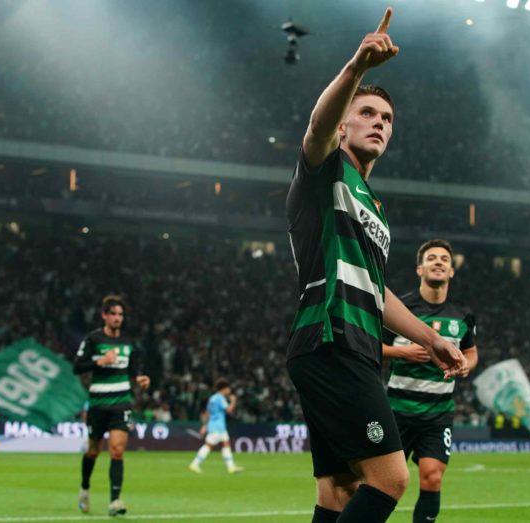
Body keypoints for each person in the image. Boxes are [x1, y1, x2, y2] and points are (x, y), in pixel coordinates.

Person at [284, 8, 467, 523]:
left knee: (339, 490)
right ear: (345, 124)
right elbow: (318, 126)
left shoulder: (374, 205)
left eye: (386, 120)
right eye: (367, 114)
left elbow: (378, 291)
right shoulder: (326, 171)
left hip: (353, 346)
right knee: (391, 478)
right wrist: (357, 69)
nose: (379, 124)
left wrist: (430, 339)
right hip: (332, 338)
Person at [382, 239, 478, 523]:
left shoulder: (463, 316)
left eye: (444, 259)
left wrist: (465, 366)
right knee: (385, 483)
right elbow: (371, 347)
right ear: (419, 269)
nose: (438, 262)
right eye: (432, 258)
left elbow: (471, 353)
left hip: (438, 415)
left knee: (432, 477)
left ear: (451, 272)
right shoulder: (400, 309)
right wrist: (404, 351)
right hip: (397, 412)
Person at [73, 295, 150, 517]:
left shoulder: (127, 343)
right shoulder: (93, 339)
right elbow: (77, 367)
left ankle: (115, 500)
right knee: (93, 451)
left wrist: (141, 378)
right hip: (98, 403)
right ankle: (85, 488)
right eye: (113, 314)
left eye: (120, 315)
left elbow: (134, 369)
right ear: (104, 316)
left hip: (121, 402)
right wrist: (100, 362)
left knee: (117, 451)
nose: (117, 318)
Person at [189, 379, 243, 474]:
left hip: (216, 426)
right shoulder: (220, 398)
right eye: (228, 388)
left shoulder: (212, 398)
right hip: (217, 426)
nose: (229, 390)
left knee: (226, 444)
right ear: (224, 389)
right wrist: (233, 401)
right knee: (209, 445)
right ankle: (195, 464)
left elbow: (207, 413)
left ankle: (231, 467)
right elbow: (229, 410)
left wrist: (205, 425)